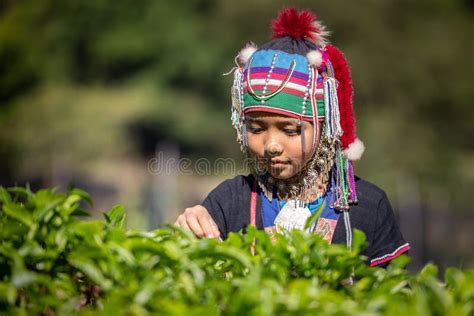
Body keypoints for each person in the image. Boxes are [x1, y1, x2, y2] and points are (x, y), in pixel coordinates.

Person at [175, 8, 409, 267]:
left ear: (324, 127)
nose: (272, 146)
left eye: (290, 130)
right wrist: (187, 232)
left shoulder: (367, 207)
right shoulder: (230, 202)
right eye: (256, 129)